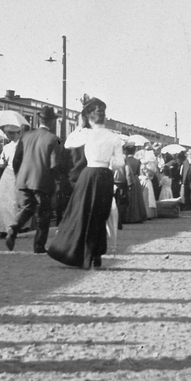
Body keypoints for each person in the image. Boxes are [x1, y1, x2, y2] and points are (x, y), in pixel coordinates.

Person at [48, 97, 123, 269]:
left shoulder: (86, 134)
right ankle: (96, 256)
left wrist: (80, 126)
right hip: (106, 175)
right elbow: (119, 163)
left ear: (88, 117)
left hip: (89, 175)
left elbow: (67, 144)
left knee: (81, 213)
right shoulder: (114, 137)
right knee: (100, 215)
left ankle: (79, 254)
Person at [6, 106, 62, 253]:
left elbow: (16, 160)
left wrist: (19, 176)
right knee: (43, 214)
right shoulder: (55, 139)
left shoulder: (25, 136)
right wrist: (56, 181)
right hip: (42, 182)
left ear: (40, 119)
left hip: (23, 180)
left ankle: (13, 228)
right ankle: (38, 246)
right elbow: (54, 164)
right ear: (51, 121)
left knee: (27, 208)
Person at [0, 127, 22, 236]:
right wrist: (1, 162)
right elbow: (2, 164)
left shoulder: (22, 145)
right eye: (9, 134)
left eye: (13, 133)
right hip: (7, 175)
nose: (11, 136)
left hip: (17, 174)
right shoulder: (7, 147)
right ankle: (3, 227)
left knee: (13, 201)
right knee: (3, 201)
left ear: (19, 132)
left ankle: (12, 227)